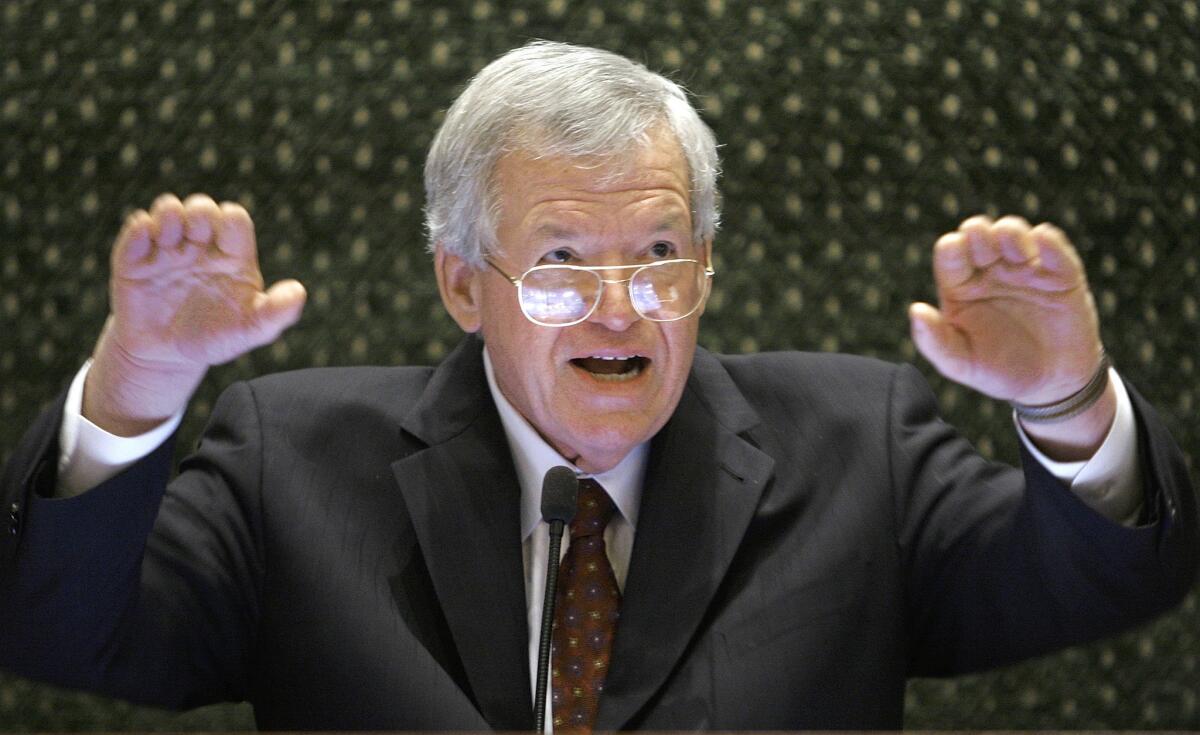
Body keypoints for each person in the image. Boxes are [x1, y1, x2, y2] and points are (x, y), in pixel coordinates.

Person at [0, 41, 1194, 732]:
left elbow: (1088, 586)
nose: (622, 307)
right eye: (564, 265)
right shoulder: (289, 459)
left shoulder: (858, 443)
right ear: (463, 285)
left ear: (709, 267)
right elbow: (62, 636)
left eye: (662, 256)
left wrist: (1067, 404)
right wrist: (136, 384)